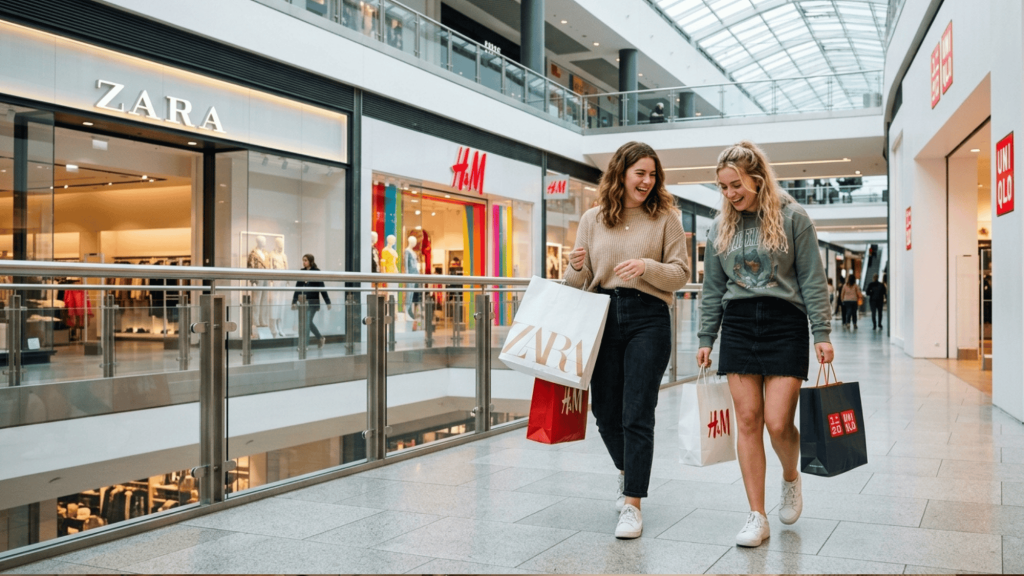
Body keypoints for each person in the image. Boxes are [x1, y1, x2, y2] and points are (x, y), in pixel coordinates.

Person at [696, 141, 834, 548]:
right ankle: (756, 516)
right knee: (749, 420)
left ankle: (790, 478)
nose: (730, 194)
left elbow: (812, 279)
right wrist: (707, 337)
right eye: (723, 187)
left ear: (757, 178)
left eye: (736, 185)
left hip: (784, 323)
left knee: (778, 422)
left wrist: (821, 333)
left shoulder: (793, 218)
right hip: (738, 324)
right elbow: (712, 288)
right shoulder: (720, 227)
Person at [565, 141, 690, 540]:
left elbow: (681, 273)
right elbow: (580, 285)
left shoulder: (666, 217)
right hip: (602, 316)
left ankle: (633, 504)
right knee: (604, 411)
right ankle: (627, 471)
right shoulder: (592, 218)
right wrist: (573, 268)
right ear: (621, 173)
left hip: (648, 319)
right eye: (641, 173)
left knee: (637, 411)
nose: (648, 182)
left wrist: (647, 267)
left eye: (653, 175)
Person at [292, 254, 331, 349]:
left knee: (306, 322)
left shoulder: (316, 272)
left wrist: (327, 301)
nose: (304, 262)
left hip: (313, 302)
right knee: (306, 322)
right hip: (303, 302)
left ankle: (304, 345)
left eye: (305, 260)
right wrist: (294, 301)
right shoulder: (302, 272)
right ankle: (320, 338)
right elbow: (297, 288)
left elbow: (322, 287)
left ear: (310, 261)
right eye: (303, 260)